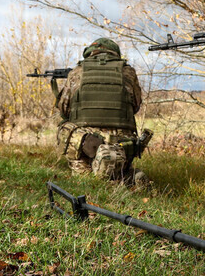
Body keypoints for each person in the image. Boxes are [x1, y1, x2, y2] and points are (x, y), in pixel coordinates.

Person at [55, 38, 150, 186]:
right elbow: (135, 106)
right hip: (122, 144)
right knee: (118, 169)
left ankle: (85, 175)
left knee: (64, 127)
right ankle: (127, 177)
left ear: (90, 54)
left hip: (85, 142)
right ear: (115, 53)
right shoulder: (128, 72)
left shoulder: (76, 72)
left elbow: (64, 109)